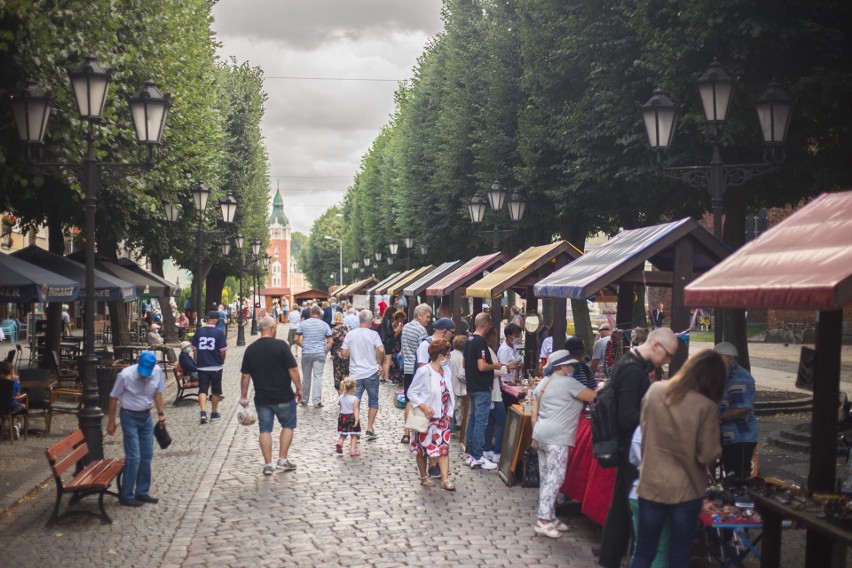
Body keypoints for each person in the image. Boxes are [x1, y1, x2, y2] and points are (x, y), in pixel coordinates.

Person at [629, 350, 726, 568]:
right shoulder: (706, 406)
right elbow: (708, 454)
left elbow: (644, 431)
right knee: (679, 553)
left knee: (643, 551)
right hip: (686, 490)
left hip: (651, 483)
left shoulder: (655, 391)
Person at [598, 327, 679, 568]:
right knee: (632, 510)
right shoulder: (633, 370)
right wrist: (657, 417)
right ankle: (625, 558)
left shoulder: (631, 363)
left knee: (621, 509)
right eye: (667, 355)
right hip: (630, 449)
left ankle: (610, 558)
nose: (667, 361)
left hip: (628, 448)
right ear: (656, 345)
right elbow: (627, 417)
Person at [531, 350, 597, 538]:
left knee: (546, 477)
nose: (572, 368)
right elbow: (593, 397)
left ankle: (550, 515)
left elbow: (534, 414)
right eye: (569, 365)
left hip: (542, 433)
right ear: (562, 366)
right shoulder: (569, 383)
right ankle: (543, 519)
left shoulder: (543, 383)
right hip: (557, 437)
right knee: (556, 477)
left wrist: (534, 436)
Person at [239, 316, 302, 476]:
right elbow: (293, 369)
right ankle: (282, 459)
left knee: (265, 429)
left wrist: (244, 396)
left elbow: (245, 376)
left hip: (262, 398)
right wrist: (299, 388)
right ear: (273, 328)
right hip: (284, 396)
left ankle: (268, 464)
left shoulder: (251, 349)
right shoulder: (281, 346)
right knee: (288, 425)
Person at [106, 351, 166, 506]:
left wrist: (161, 414)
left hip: (146, 416)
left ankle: (142, 492)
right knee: (134, 457)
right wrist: (111, 421)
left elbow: (158, 393)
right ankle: (126, 494)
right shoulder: (125, 375)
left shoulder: (157, 372)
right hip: (129, 416)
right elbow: (113, 397)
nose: (145, 376)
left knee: (147, 455)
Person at [408, 338, 456, 490]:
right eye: (447, 355)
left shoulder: (446, 371)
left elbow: (449, 394)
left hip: (442, 418)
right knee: (422, 449)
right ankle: (423, 477)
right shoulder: (424, 371)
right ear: (440, 356)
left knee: (443, 448)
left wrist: (449, 412)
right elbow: (412, 392)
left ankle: (445, 479)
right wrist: (424, 406)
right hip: (426, 418)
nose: (448, 358)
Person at [463, 312, 505, 470]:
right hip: (482, 387)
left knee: (472, 420)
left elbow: (464, 364)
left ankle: (470, 454)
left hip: (472, 386)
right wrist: (495, 365)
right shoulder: (480, 342)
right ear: (486, 325)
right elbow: (482, 366)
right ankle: (478, 456)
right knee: (481, 422)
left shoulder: (469, 340)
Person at [714, 341, 759, 480]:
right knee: (729, 476)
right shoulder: (726, 374)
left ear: (728, 358)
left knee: (737, 479)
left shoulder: (739, 378)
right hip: (729, 438)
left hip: (741, 438)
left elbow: (742, 409)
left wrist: (718, 419)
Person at [628, 427, 670, 568]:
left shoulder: (642, 426)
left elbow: (633, 458)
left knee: (640, 548)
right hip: (663, 493)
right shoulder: (680, 427)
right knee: (660, 550)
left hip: (639, 490)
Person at [340, 310, 385, 441]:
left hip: (355, 374)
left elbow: (343, 353)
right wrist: (379, 363)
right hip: (371, 372)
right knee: (373, 401)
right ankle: (370, 429)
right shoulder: (374, 334)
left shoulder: (350, 334)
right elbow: (381, 350)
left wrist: (352, 354)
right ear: (370, 320)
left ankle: (355, 429)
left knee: (355, 401)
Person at [400, 303, 432, 444]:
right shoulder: (421, 331)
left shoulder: (406, 327)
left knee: (409, 398)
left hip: (407, 367)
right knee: (415, 400)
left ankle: (407, 431)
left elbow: (402, 349)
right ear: (419, 315)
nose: (428, 320)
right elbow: (423, 352)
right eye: (427, 317)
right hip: (416, 369)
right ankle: (411, 430)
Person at [192, 310, 228, 424]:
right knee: (216, 390)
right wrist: (221, 362)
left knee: (203, 389)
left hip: (202, 366)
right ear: (215, 320)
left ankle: (203, 412)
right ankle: (213, 412)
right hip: (215, 366)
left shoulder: (199, 331)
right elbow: (223, 351)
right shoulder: (219, 332)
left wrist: (197, 361)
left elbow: (195, 350)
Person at [295, 305, 332, 407]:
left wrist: (303, 346)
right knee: (318, 377)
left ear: (310, 313)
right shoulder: (324, 325)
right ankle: (316, 401)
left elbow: (296, 339)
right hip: (319, 353)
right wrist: (325, 352)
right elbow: (330, 341)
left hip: (306, 353)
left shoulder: (303, 324)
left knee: (306, 377)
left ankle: (304, 399)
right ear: (319, 314)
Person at [336, 377, 361, 457]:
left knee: (344, 433)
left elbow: (341, 407)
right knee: (354, 435)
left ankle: (340, 442)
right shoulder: (355, 399)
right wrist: (357, 420)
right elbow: (356, 410)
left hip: (342, 417)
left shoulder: (340, 397)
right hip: (351, 417)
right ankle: (353, 450)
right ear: (354, 388)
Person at [1, 362, 26, 440]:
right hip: (11, 408)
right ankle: (17, 426)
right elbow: (18, 397)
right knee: (23, 406)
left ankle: (3, 424)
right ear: (12, 371)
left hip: (1, 407)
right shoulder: (14, 383)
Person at [449, 334, 467, 431]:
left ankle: (450, 429)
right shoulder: (462, 358)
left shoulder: (450, 355)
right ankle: (454, 429)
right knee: (457, 409)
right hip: (458, 387)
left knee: (451, 408)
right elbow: (462, 374)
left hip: (450, 385)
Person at [329, 312, 350, 391]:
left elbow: (331, 343)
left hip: (337, 354)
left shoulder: (333, 330)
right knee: (346, 373)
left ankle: (341, 397)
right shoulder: (348, 329)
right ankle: (346, 393)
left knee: (337, 374)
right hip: (347, 353)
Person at [379, 307, 397, 382]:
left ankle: (382, 377)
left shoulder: (384, 320)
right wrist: (395, 330)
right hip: (388, 342)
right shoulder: (388, 321)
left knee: (384, 361)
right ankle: (386, 378)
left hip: (384, 342)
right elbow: (389, 333)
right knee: (387, 361)